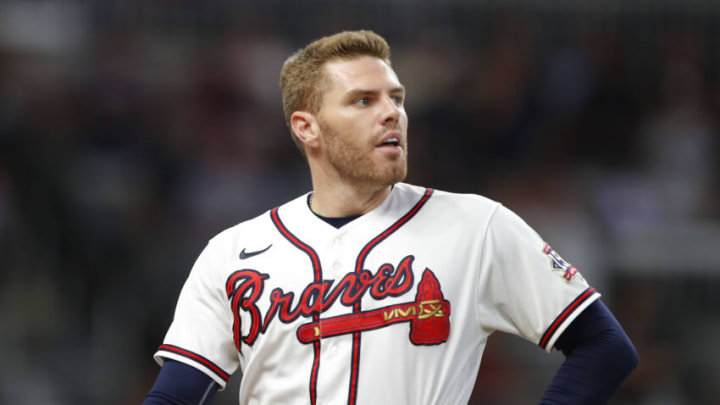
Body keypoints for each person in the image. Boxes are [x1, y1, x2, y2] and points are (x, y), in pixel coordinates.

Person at [143, 30, 638, 405]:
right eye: (363, 100)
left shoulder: (476, 225)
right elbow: (175, 394)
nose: (391, 114)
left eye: (395, 99)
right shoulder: (232, 252)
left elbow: (604, 346)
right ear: (307, 127)